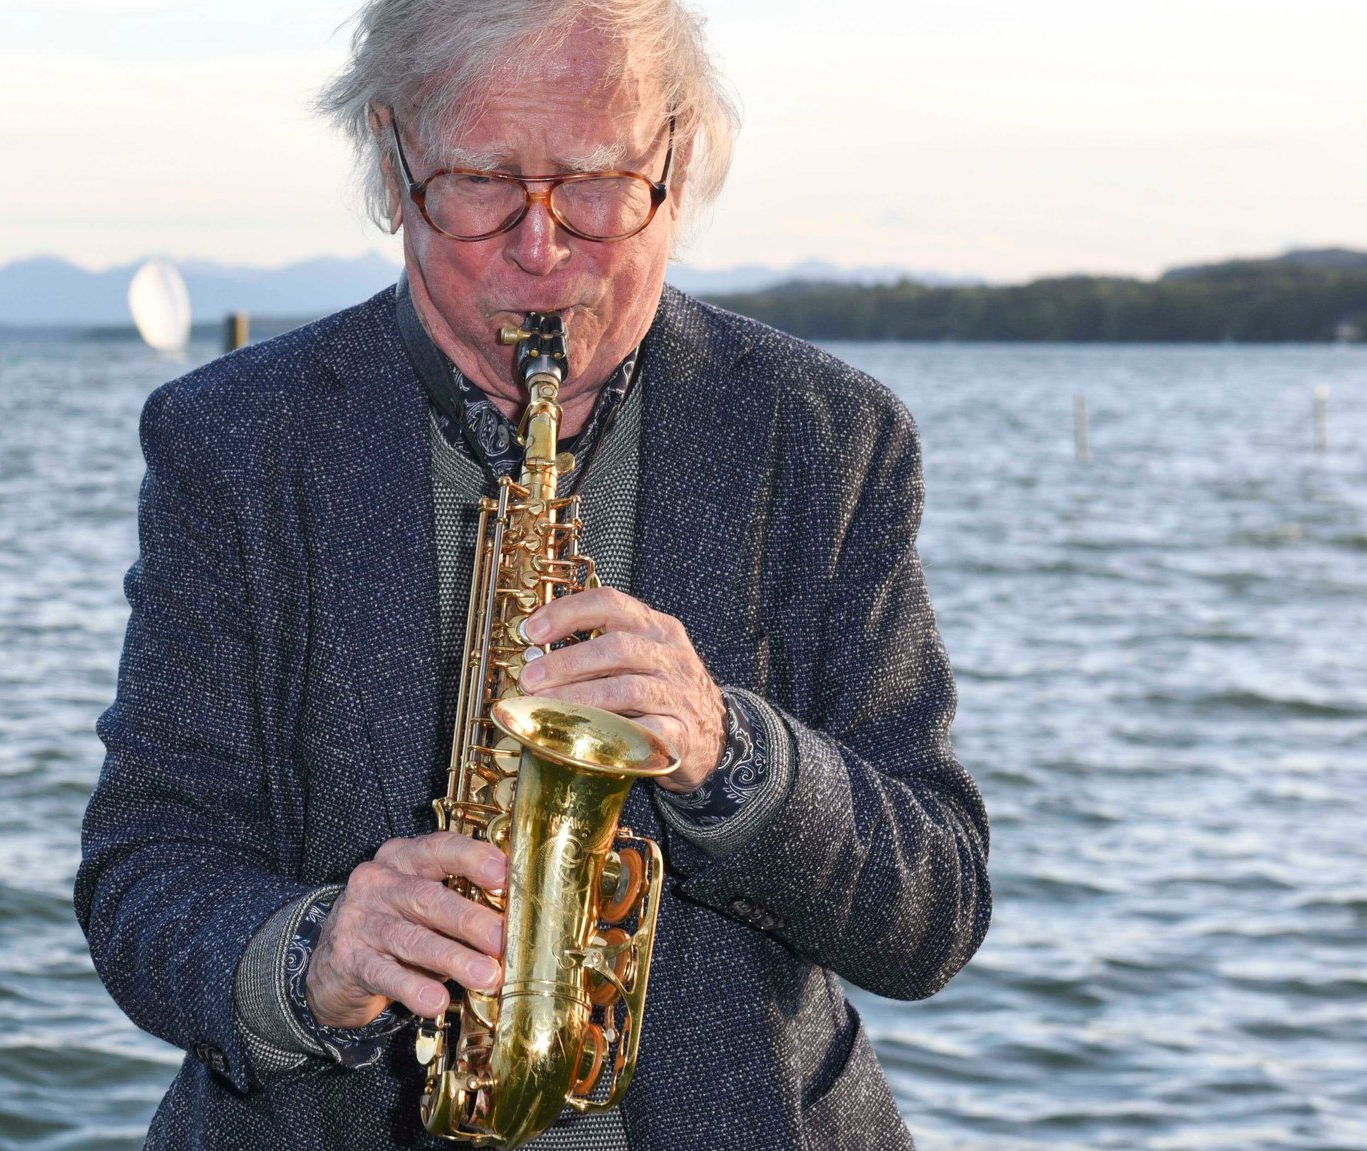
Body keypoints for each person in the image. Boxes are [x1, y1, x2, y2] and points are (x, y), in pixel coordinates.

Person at [75, 1, 991, 1147]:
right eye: (481, 182)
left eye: (597, 183)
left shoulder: (827, 434)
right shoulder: (231, 441)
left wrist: (732, 755)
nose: (541, 249)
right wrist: (317, 955)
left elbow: (934, 911)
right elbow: (143, 873)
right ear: (391, 161)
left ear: (678, 162)